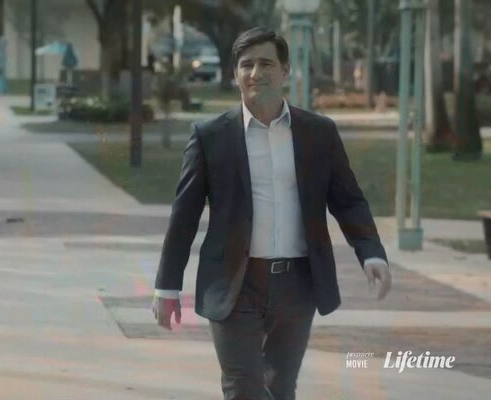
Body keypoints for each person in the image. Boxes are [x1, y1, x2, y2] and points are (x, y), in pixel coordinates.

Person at [151, 27, 391, 400]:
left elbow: (348, 200)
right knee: (244, 389)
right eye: (246, 65)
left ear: (285, 71)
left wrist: (371, 252)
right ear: (235, 74)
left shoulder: (318, 133)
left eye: (266, 64)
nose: (255, 73)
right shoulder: (210, 136)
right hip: (234, 284)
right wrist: (167, 285)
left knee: (280, 387)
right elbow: (184, 216)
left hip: (298, 284)